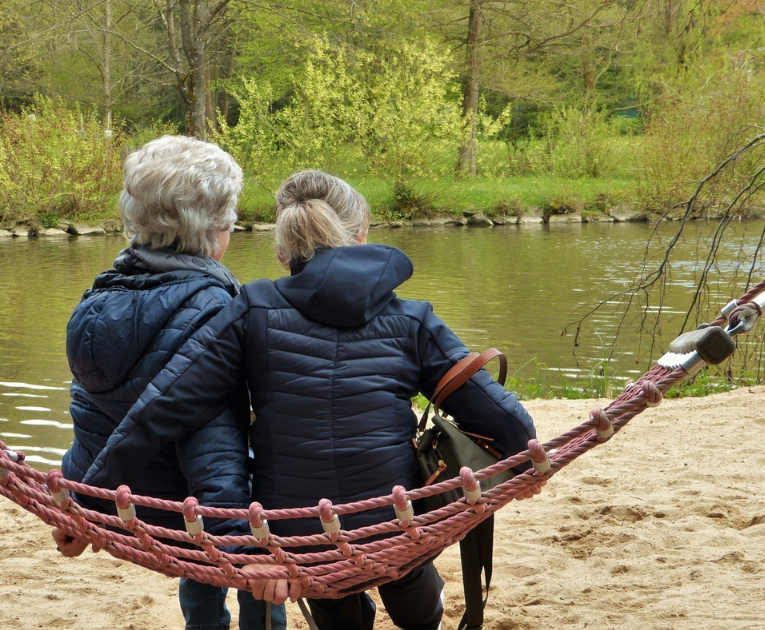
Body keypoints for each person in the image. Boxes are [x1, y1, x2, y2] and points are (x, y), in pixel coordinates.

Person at [84, 170, 536, 630]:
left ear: (283, 253)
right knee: (404, 550)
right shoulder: (413, 319)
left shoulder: (251, 308)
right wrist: (524, 460)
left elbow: (164, 407)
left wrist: (88, 503)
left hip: (297, 539)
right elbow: (505, 421)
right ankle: (423, 616)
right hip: (393, 525)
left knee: (324, 566)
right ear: (360, 237)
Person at [53, 135, 286, 630]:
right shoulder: (220, 312)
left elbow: (91, 412)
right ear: (216, 231)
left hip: (121, 499)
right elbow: (214, 444)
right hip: (191, 512)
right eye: (231, 220)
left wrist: (81, 500)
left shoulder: (95, 301)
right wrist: (243, 549)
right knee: (263, 513)